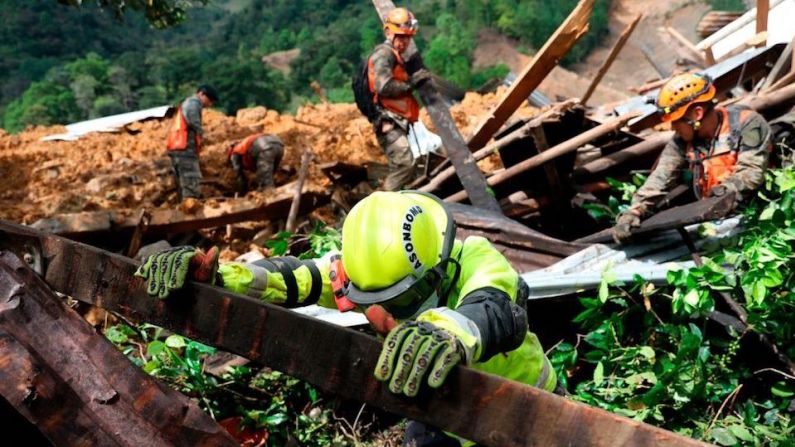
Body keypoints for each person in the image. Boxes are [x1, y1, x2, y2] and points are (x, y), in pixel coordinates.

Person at [135, 190, 557, 447]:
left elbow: (494, 308)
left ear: (437, 266)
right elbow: (295, 279)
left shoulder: (481, 260)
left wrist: (443, 333)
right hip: (444, 416)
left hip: (525, 411)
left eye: (401, 297)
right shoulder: (366, 275)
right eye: (377, 299)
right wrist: (220, 277)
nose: (386, 312)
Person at [613, 73, 772, 244]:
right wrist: (635, 211)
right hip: (714, 218)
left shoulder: (747, 123)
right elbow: (661, 178)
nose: (673, 127)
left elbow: (751, 172)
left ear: (697, 114)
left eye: (676, 121)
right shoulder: (682, 141)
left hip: (759, 215)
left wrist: (723, 192)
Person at [365, 7, 433, 191]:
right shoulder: (383, 54)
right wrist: (411, 84)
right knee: (405, 164)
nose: (404, 42)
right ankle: (385, 205)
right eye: (401, 37)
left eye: (407, 38)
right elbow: (383, 86)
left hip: (397, 121)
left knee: (407, 167)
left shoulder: (396, 56)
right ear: (388, 32)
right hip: (388, 122)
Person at [166, 84, 219, 200]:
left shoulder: (188, 103)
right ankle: (191, 211)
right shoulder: (193, 103)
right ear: (201, 94)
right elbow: (193, 121)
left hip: (179, 148)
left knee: (183, 184)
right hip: (184, 149)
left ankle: (185, 210)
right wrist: (203, 134)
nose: (209, 105)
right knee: (191, 182)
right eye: (209, 100)